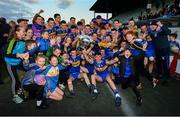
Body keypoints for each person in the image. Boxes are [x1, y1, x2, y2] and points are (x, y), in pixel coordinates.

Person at [4, 26, 27, 104]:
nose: (25, 33)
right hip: (10, 63)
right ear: (17, 32)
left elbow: (23, 52)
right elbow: (7, 54)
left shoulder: (23, 41)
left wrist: (25, 55)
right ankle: (15, 96)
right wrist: (18, 55)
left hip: (18, 62)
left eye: (25, 31)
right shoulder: (12, 41)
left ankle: (19, 89)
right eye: (23, 31)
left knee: (20, 77)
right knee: (14, 79)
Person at [149, 20, 171, 85]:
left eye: (153, 25)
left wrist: (161, 25)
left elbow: (168, 32)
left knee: (166, 65)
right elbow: (153, 37)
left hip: (164, 50)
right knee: (158, 63)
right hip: (157, 50)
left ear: (157, 25)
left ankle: (167, 78)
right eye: (151, 25)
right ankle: (160, 75)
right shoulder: (151, 32)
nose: (151, 26)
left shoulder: (162, 30)